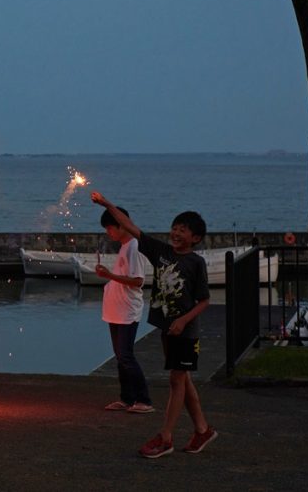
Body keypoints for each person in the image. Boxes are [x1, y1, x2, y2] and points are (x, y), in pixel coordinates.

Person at [91, 191, 217, 458]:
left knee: (176, 381)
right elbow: (130, 227)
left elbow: (205, 300)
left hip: (185, 331)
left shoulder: (196, 262)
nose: (176, 233)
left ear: (195, 238)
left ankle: (166, 437)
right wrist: (107, 204)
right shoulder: (160, 252)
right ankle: (202, 430)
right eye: (174, 228)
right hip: (167, 328)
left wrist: (183, 320)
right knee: (184, 380)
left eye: (183, 230)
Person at [94, 205, 153, 414]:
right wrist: (108, 276)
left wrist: (109, 275)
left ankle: (143, 399)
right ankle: (127, 398)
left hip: (127, 311)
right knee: (120, 356)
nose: (108, 233)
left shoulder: (134, 247)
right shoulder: (125, 246)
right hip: (116, 310)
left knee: (126, 356)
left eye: (109, 228)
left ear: (120, 226)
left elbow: (137, 281)